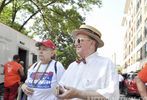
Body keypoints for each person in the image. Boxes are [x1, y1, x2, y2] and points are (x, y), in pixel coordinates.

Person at [56, 25, 119, 100]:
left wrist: (79, 94)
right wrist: (58, 90)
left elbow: (112, 94)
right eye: (75, 41)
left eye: (79, 40)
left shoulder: (106, 64)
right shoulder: (72, 66)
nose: (75, 44)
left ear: (92, 43)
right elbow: (60, 87)